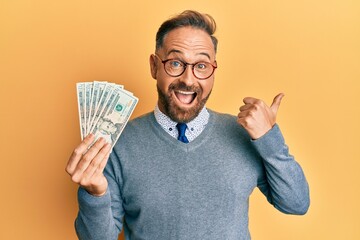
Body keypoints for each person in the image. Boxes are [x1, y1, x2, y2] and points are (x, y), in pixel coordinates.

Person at [66, 10, 310, 240]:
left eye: (201, 66)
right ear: (154, 66)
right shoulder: (117, 142)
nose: (188, 79)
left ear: (213, 71)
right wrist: (94, 194)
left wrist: (270, 140)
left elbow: (296, 203)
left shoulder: (245, 135)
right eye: (175, 63)